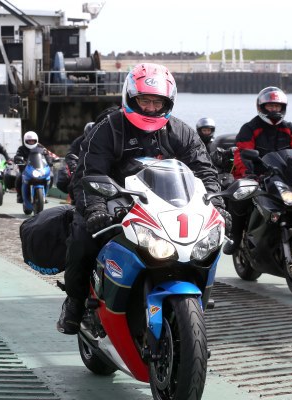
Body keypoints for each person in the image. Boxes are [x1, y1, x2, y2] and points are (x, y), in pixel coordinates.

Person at [56, 63, 229, 335]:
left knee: (203, 245)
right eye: (144, 100)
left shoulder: (181, 132)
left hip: (162, 207)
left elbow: (204, 171)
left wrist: (217, 207)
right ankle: (75, 301)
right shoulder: (109, 128)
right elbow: (89, 172)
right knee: (82, 238)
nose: (150, 108)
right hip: (113, 201)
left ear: (167, 102)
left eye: (156, 102)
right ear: (130, 97)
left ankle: (194, 301)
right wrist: (94, 210)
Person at [222, 86, 292, 255]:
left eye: (277, 106)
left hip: (283, 176)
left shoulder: (289, 128)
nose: (274, 109)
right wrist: (248, 173)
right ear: (261, 107)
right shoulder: (250, 128)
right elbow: (242, 153)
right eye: (270, 106)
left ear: (283, 108)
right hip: (257, 175)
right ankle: (235, 237)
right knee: (239, 197)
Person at [13, 131, 54, 203]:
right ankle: (19, 195)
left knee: (51, 176)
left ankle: (44, 194)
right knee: (19, 178)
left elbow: (47, 155)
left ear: (36, 140)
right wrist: (18, 159)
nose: (31, 142)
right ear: (25, 141)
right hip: (26, 168)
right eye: (29, 141)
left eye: (33, 141)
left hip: (39, 168)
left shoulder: (41, 147)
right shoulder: (21, 148)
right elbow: (17, 156)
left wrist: (50, 162)